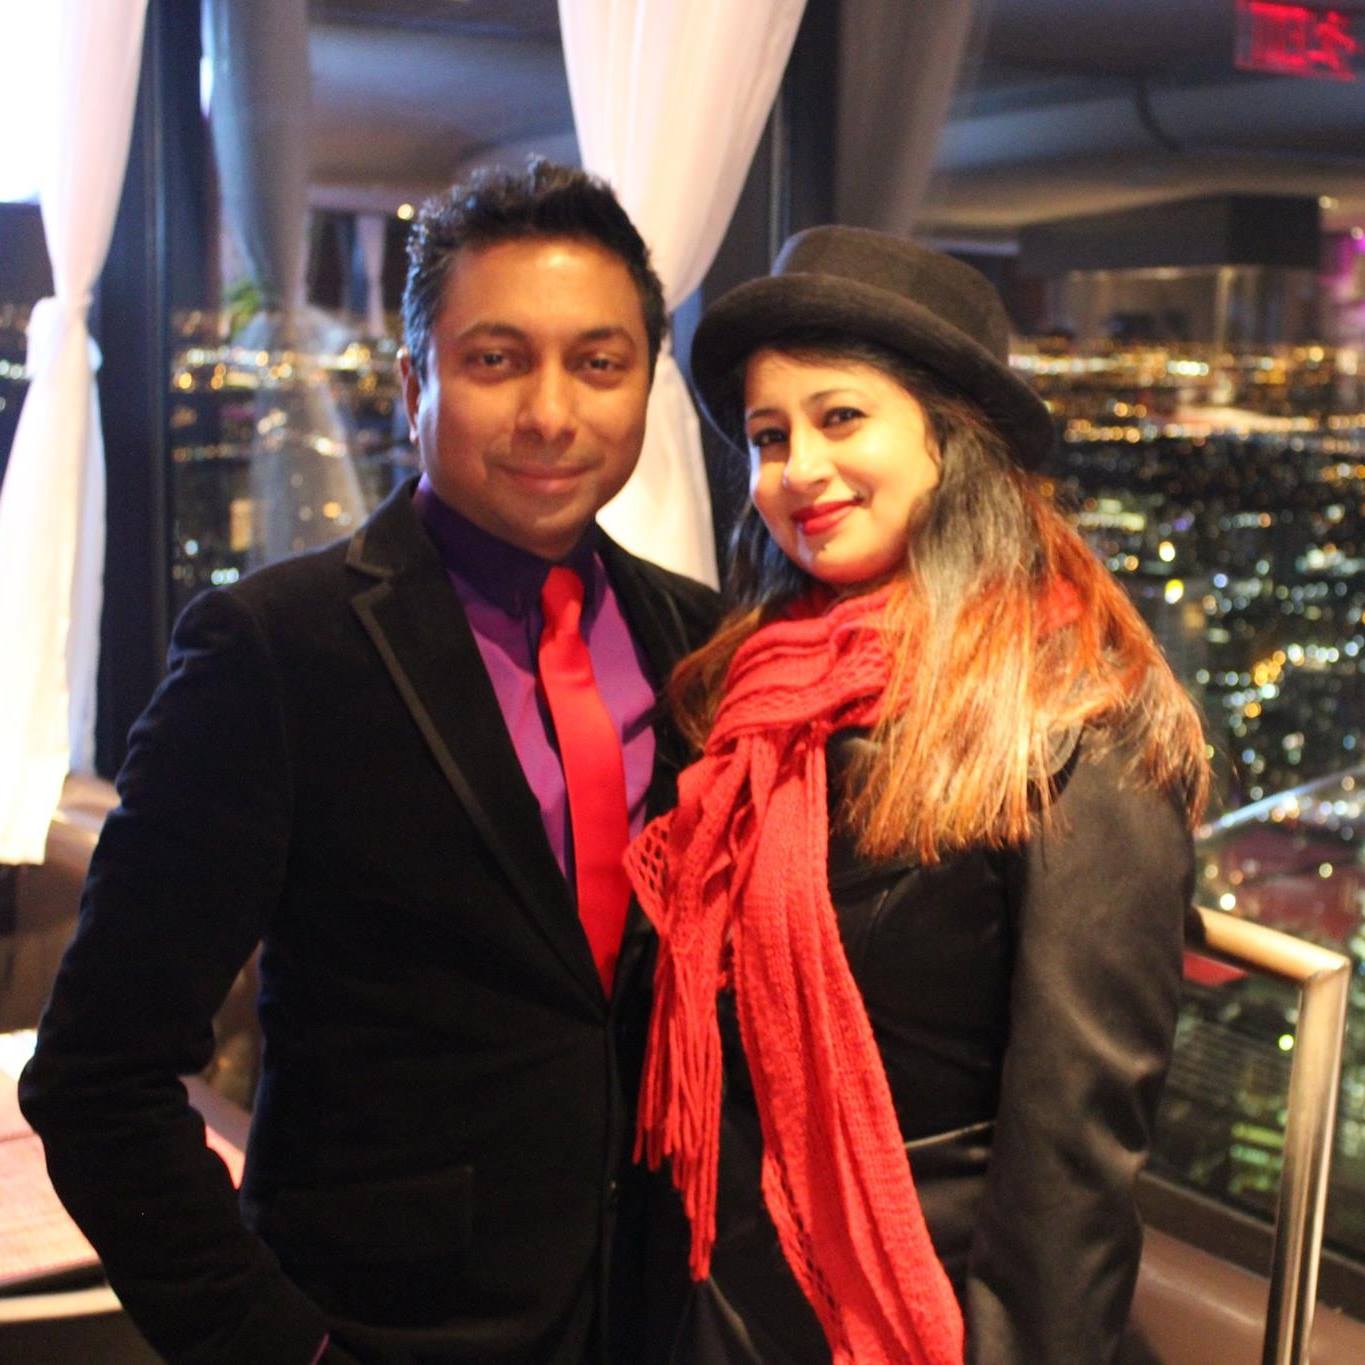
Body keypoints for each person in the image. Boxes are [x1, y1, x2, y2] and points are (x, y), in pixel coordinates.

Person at [19, 162, 718, 1364]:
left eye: (599, 364)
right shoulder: (276, 649)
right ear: (414, 382)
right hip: (383, 1329)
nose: (552, 413)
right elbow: (96, 1077)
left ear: (646, 384)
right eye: (497, 360)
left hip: (655, 1322)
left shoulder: (697, 640)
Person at [626, 226, 1209, 1364]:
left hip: (915, 1310)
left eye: (841, 417)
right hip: (719, 1297)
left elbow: (1073, 1153)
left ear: (954, 435)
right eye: (769, 436)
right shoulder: (748, 690)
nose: (798, 469)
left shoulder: (1071, 719)